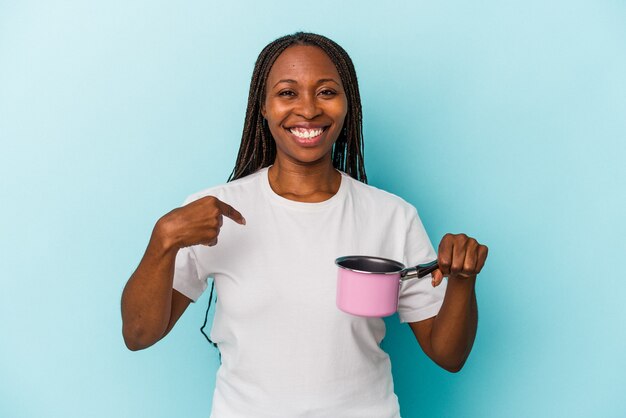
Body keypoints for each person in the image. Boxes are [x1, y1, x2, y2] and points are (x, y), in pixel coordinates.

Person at [121, 32, 488, 418]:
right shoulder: (215, 213)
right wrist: (162, 240)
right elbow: (139, 334)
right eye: (287, 93)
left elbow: (448, 355)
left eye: (326, 92)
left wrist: (463, 280)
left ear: (349, 106)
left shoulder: (391, 216)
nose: (308, 109)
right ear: (262, 107)